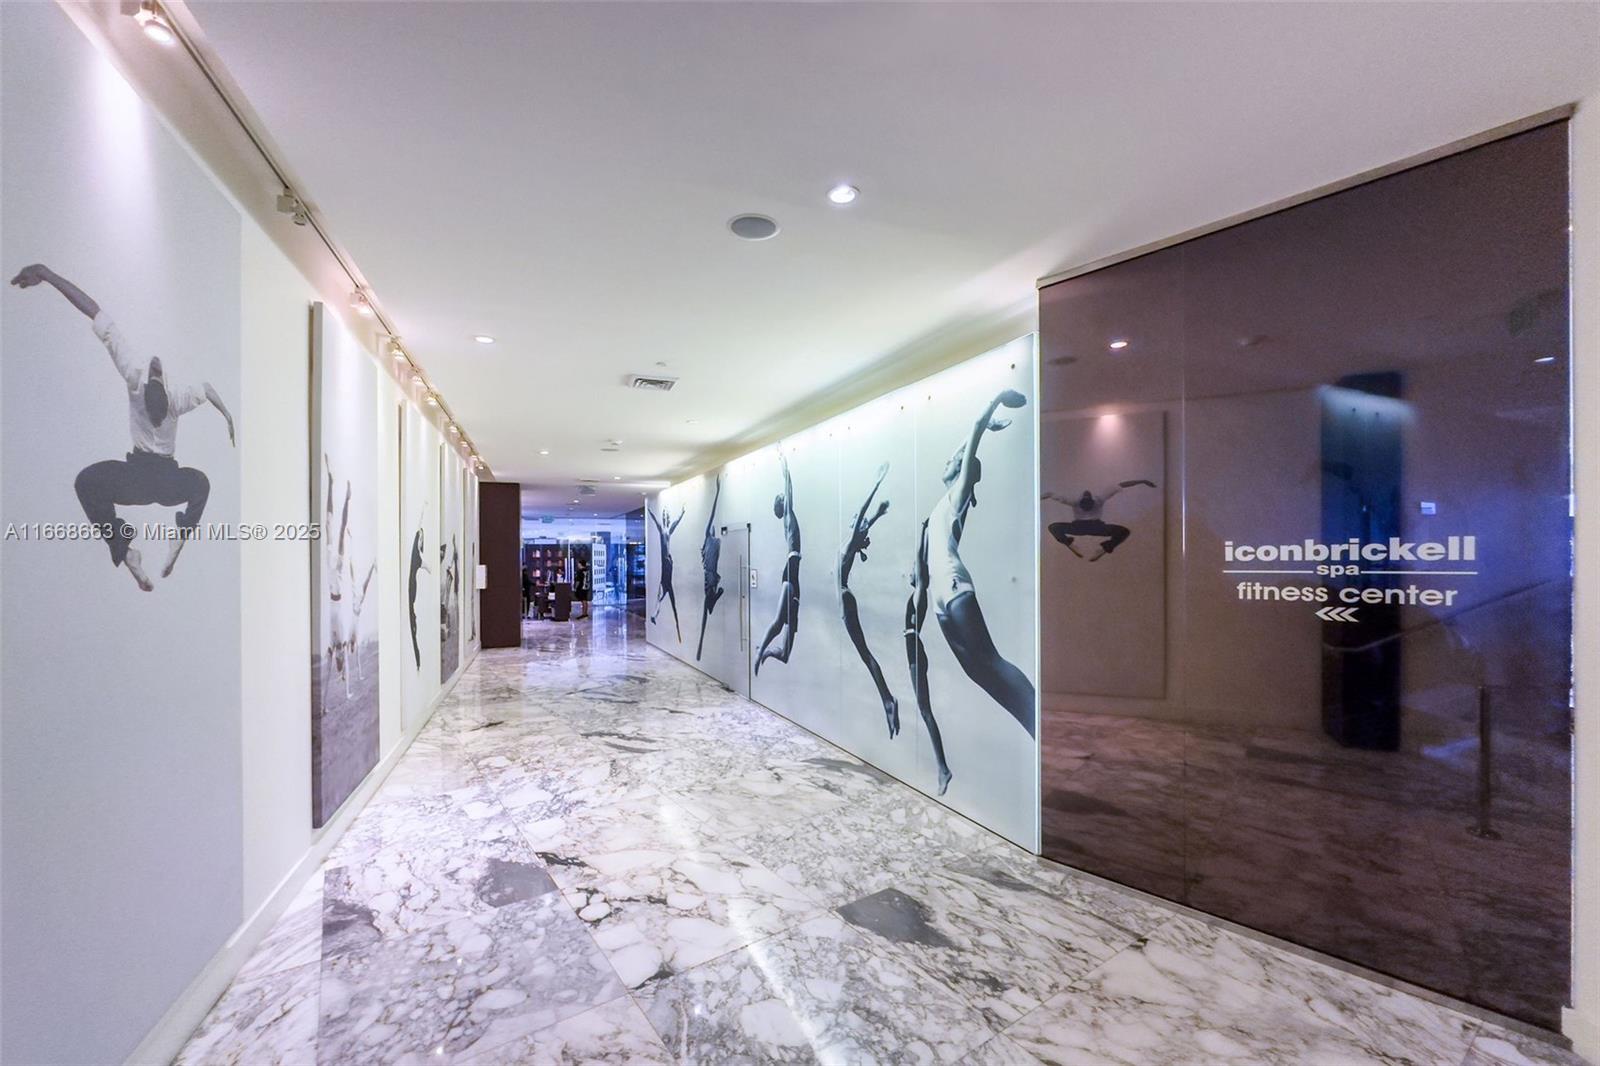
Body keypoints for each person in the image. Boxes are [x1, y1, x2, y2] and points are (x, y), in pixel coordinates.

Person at [11, 263, 234, 591]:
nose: (156, 367)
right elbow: (94, 310)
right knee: (93, 482)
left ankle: (169, 539)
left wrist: (227, 414)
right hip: (153, 479)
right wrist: (45, 273)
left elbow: (96, 312)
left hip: (147, 480)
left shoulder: (155, 387)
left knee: (195, 482)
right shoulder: (156, 387)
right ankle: (128, 550)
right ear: (153, 388)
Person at [906, 388, 1036, 795]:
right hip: (943, 602)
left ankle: (1041, 718)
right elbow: (965, 448)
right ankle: (1033, 727)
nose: (947, 461)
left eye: (954, 461)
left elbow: (974, 432)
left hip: (957, 587)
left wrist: (994, 403)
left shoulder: (958, 495)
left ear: (961, 471)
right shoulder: (940, 505)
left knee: (991, 661)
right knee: (977, 671)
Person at [840, 463, 898, 737]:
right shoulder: (852, 541)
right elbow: (865, 520)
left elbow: (862, 515)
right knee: (865, 655)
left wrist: (875, 485)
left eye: (856, 519)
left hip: (844, 598)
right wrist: (878, 515)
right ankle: (887, 699)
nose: (853, 517)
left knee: (866, 655)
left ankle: (888, 700)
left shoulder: (851, 541)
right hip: (845, 599)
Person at [755, 451, 801, 674]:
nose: (785, 496)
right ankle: (759, 652)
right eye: (782, 498)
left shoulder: (789, 517)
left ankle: (770, 652)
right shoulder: (789, 517)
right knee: (779, 620)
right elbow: (788, 483)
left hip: (796, 575)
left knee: (786, 651)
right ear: (782, 505)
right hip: (790, 570)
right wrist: (784, 458)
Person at [1043, 480, 1157, 560]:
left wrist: (1142, 481)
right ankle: (1074, 544)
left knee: (1053, 527)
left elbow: (1052, 495)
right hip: (1094, 527)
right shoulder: (1077, 500)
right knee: (1123, 531)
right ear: (1081, 501)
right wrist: (1142, 481)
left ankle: (1103, 547)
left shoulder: (1095, 499)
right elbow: (1121, 485)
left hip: (1083, 527)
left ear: (1092, 500)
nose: (1086, 509)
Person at [695, 475, 725, 661]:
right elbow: (712, 514)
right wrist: (718, 491)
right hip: (710, 576)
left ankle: (713, 601)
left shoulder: (716, 541)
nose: (713, 527)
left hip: (713, 575)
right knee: (707, 604)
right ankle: (713, 601)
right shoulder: (708, 538)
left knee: (708, 604)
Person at [649, 505, 684, 640]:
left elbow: (676, 522)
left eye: (666, 516)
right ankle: (655, 615)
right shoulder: (663, 531)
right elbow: (656, 521)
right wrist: (650, 511)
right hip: (666, 566)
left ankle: (656, 615)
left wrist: (681, 513)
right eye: (664, 516)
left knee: (666, 596)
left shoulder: (668, 531)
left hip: (668, 566)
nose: (666, 518)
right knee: (663, 594)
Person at [407, 516, 429, 668]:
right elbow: (418, 526)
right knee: (413, 626)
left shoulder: (417, 558)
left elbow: (429, 567)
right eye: (420, 538)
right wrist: (422, 509)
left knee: (414, 625)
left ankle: (418, 661)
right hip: (410, 597)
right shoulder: (415, 556)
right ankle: (417, 660)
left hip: (412, 598)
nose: (421, 541)